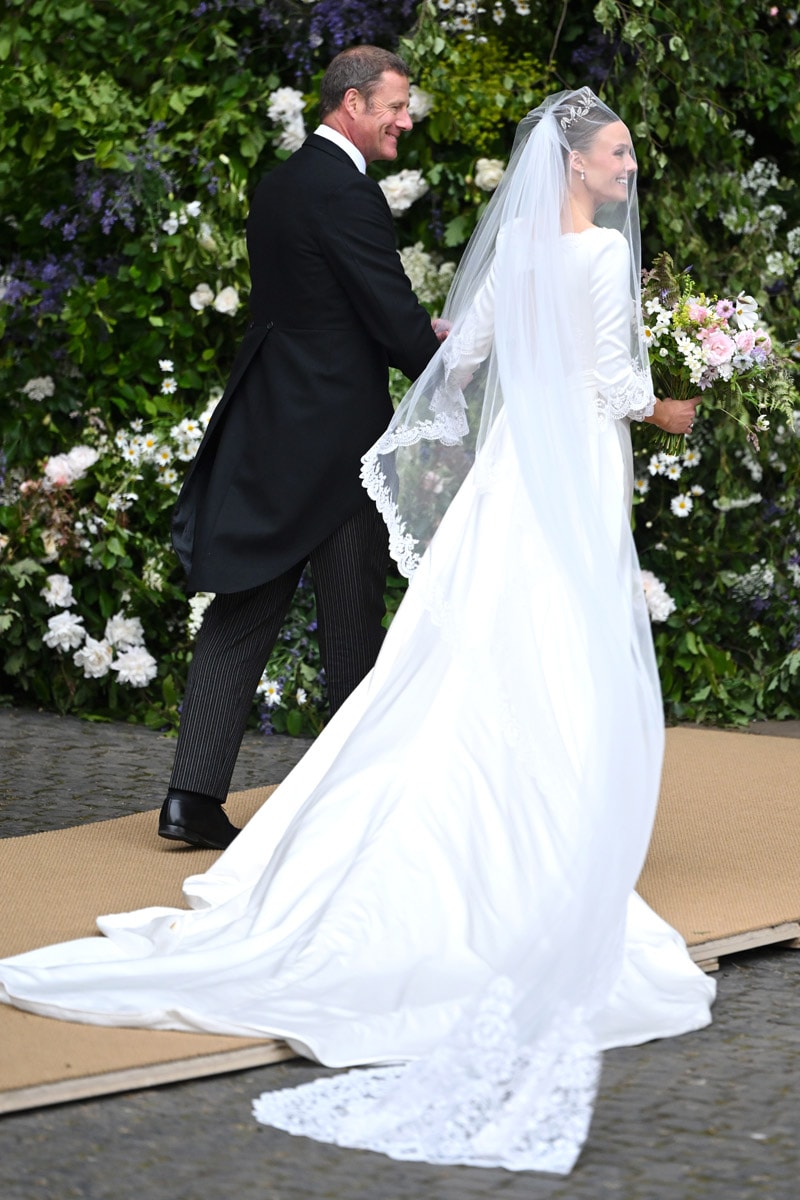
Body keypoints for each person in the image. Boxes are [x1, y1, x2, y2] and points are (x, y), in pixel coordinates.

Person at [0, 88, 713, 1174]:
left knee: (460, 647)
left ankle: (370, 814)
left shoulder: (514, 241)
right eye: (616, 153)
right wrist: (676, 407)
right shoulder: (594, 259)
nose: (628, 167)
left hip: (511, 472)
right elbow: (611, 382)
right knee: (558, 645)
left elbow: (460, 362)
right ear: (573, 165)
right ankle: (555, 841)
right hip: (569, 469)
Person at [160, 45, 443, 851]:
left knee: (245, 606)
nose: (405, 118)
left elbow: (319, 305)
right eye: (395, 104)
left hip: (271, 422)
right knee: (350, 612)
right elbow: (386, 318)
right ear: (351, 104)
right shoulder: (347, 193)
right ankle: (353, 799)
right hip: (337, 437)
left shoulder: (281, 184)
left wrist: (417, 335)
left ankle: (190, 796)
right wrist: (454, 374)